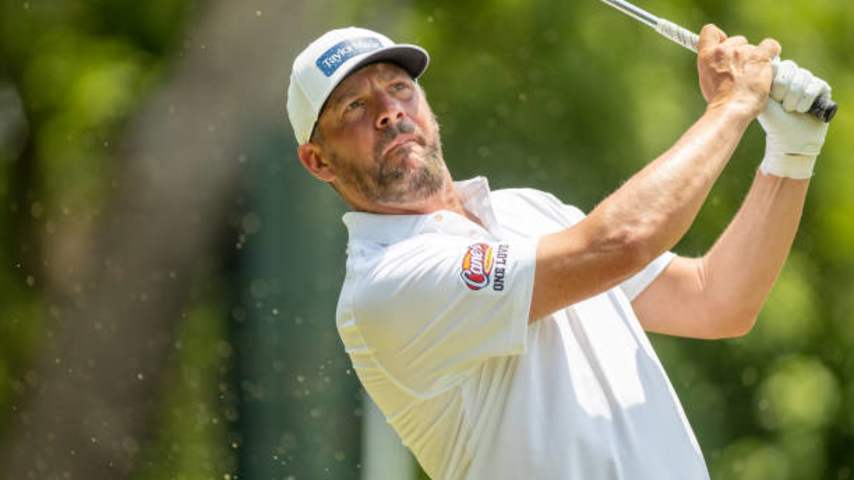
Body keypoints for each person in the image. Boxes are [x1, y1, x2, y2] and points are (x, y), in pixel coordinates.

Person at [286, 25, 830, 479]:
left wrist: (791, 153)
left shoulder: (527, 209)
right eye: (354, 106)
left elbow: (715, 301)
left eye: (399, 88)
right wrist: (732, 105)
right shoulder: (385, 284)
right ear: (318, 160)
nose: (389, 111)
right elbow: (621, 242)